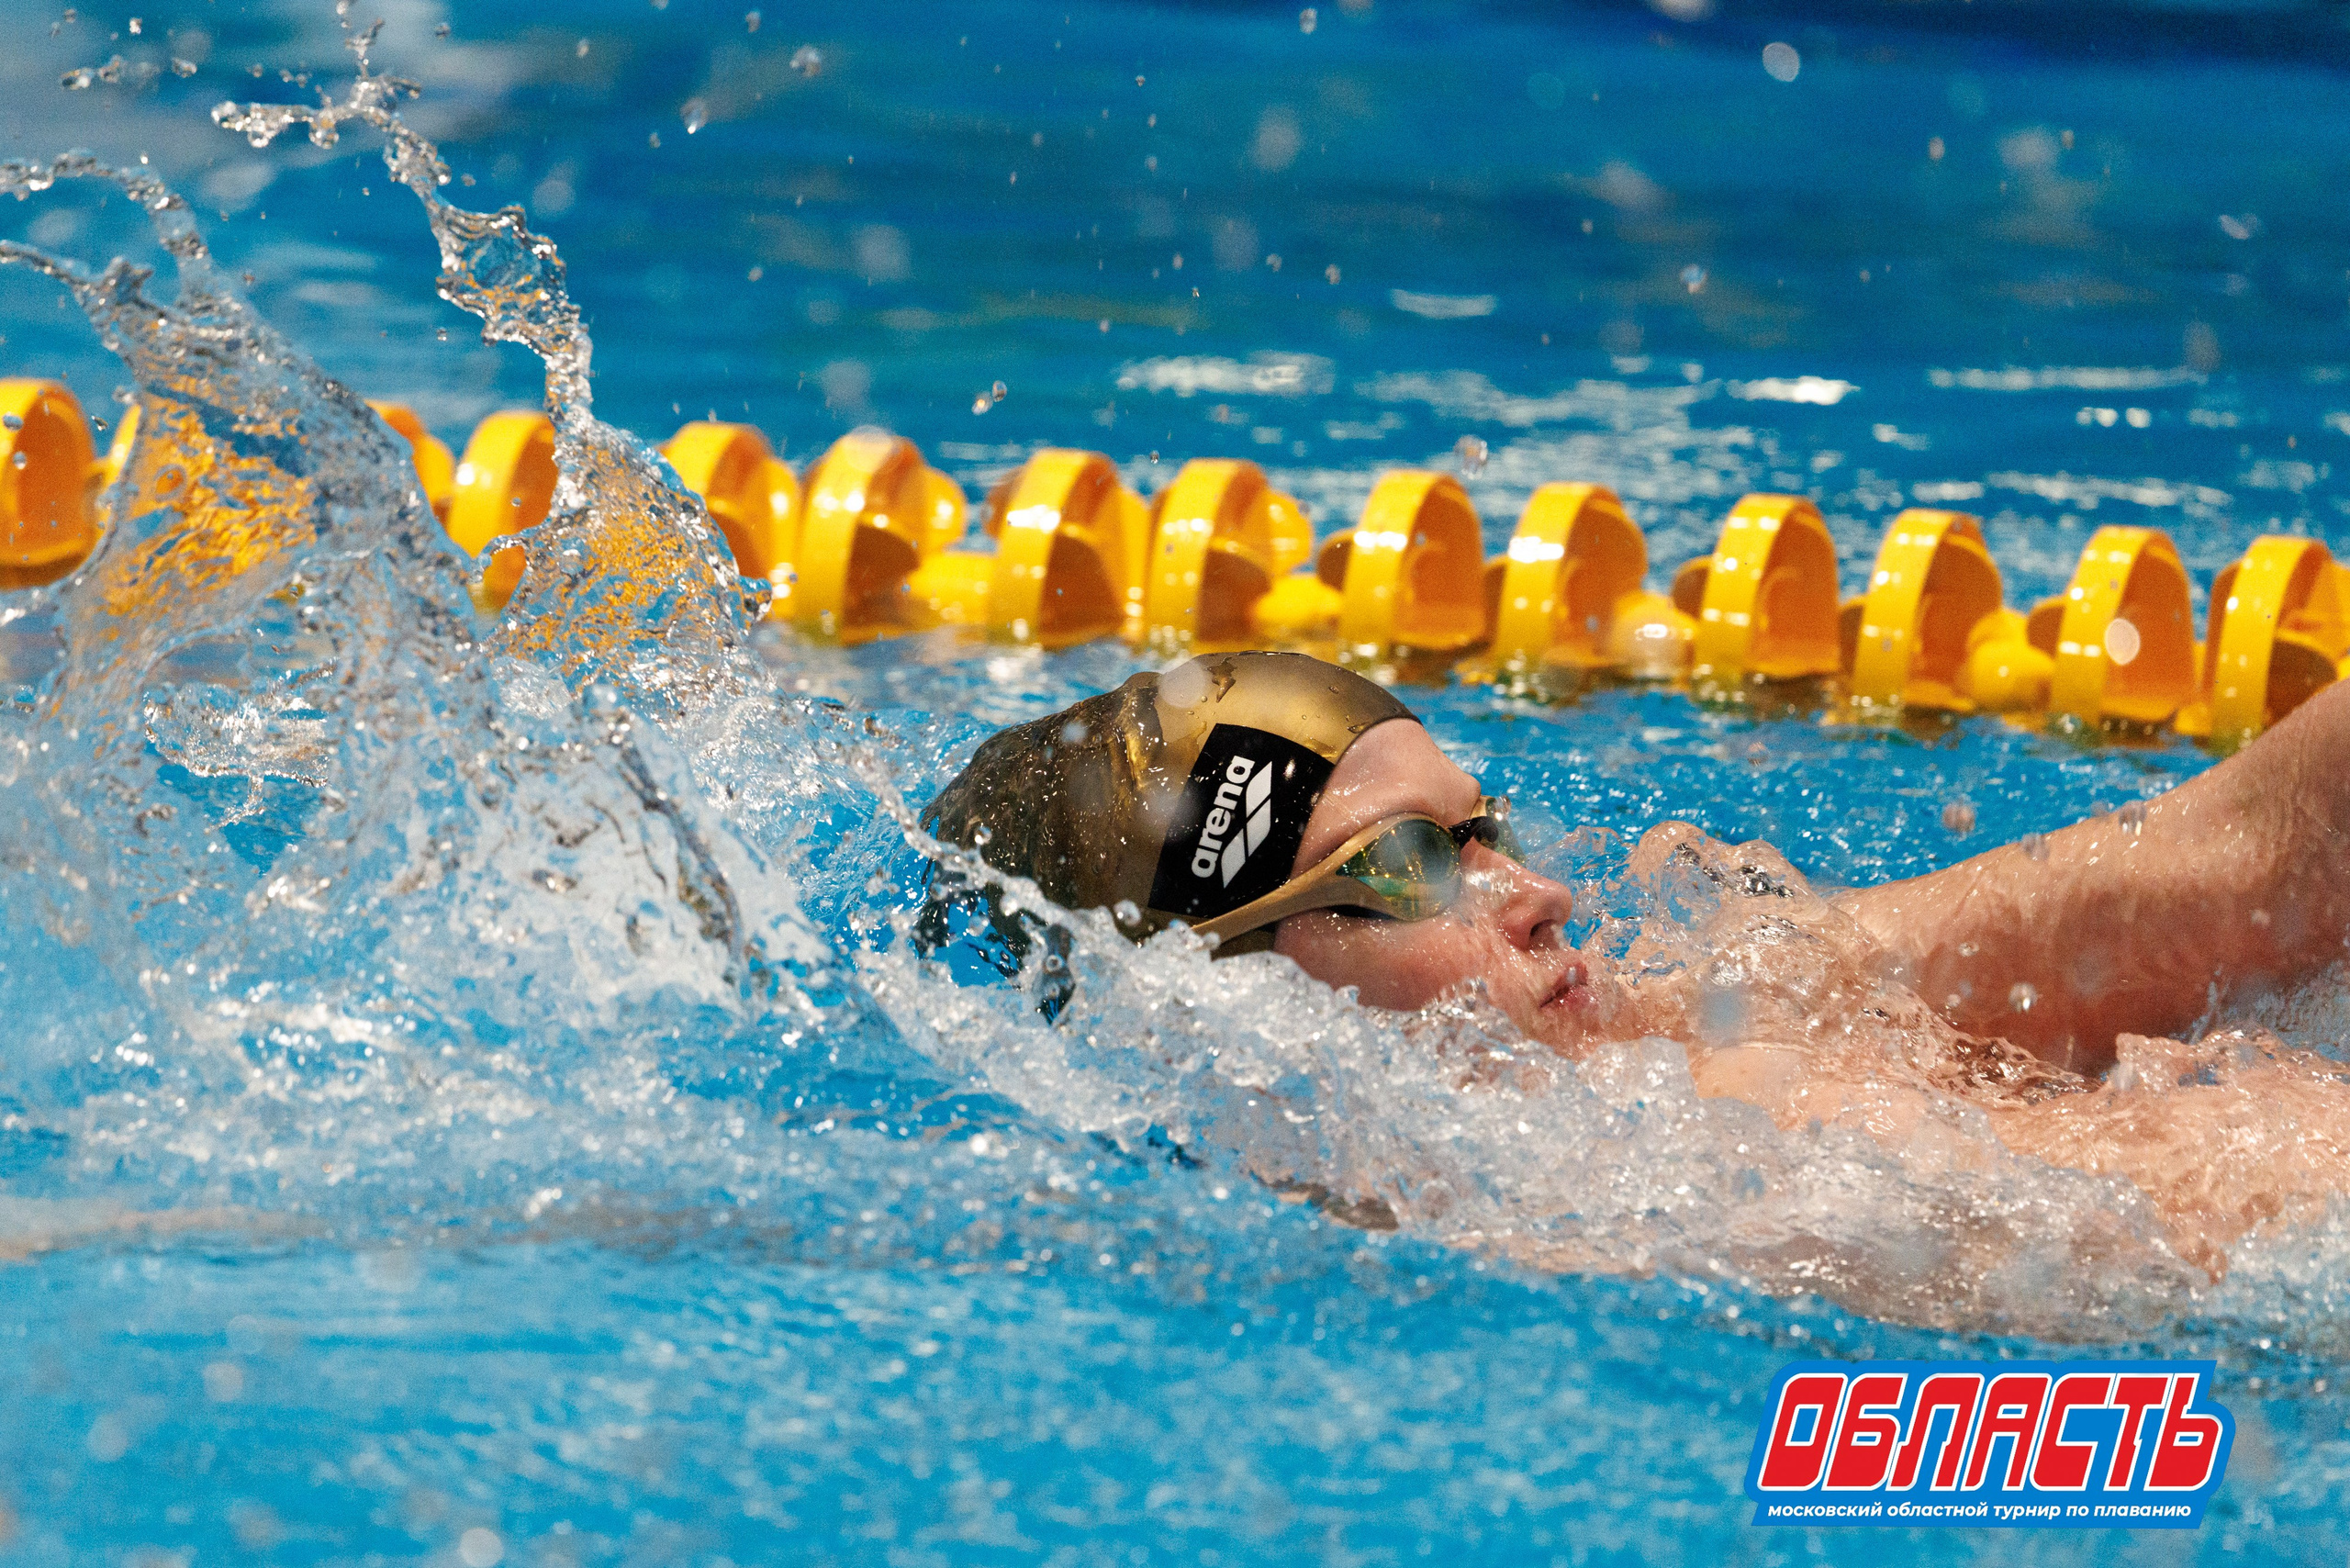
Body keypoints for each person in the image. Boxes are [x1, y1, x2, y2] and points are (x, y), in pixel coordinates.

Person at [922, 651, 2350, 1273]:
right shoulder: (1622, 1221)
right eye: (1411, 869)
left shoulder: (1709, 997)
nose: (1536, 891)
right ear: (1220, 1001)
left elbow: (2246, 865)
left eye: (1482, 831)